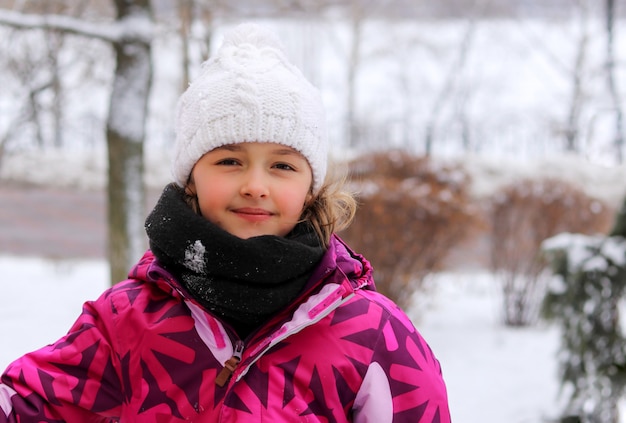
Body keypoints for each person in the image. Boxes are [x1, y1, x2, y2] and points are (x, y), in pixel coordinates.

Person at [0, 23, 450, 422]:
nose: (256, 185)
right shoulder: (126, 320)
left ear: (311, 187)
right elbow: (25, 405)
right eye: (230, 160)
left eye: (282, 166)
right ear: (191, 178)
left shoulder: (373, 335)